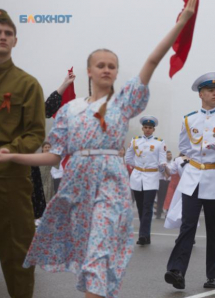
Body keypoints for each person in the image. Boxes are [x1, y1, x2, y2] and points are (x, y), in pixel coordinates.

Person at [0, 2, 197, 297]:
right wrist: (13, 156)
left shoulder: (123, 102)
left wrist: (182, 23)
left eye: (112, 66)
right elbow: (54, 156)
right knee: (88, 259)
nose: (106, 69)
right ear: (89, 71)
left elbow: (152, 61)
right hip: (77, 190)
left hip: (111, 188)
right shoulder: (70, 111)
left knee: (100, 254)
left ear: (116, 73)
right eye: (100, 65)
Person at [165, 72, 215, 290]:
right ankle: (176, 270)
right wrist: (194, 159)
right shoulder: (189, 119)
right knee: (187, 225)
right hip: (193, 178)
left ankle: (213, 274)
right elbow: (185, 147)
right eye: (210, 90)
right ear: (201, 94)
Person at [0, 9, 45, 298]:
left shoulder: (27, 84)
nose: (2, 37)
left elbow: (36, 133)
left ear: (15, 41)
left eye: (7, 33)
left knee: (18, 256)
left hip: (11, 182)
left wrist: (9, 151)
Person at [125, 115, 168, 245]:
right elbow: (128, 159)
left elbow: (162, 161)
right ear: (142, 128)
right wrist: (137, 167)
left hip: (151, 177)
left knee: (147, 206)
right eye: (146, 127)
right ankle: (147, 234)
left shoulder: (159, 142)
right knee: (140, 206)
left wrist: (161, 169)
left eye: (150, 128)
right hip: (137, 177)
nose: (148, 129)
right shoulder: (135, 141)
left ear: (153, 129)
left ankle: (143, 235)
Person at [156, 150, 173, 219]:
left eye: (170, 154)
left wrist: (168, 172)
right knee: (160, 197)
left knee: (168, 197)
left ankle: (167, 212)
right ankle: (158, 213)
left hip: (169, 181)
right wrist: (165, 173)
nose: (169, 156)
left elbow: (172, 172)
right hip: (162, 181)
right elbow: (160, 168)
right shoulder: (162, 162)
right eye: (168, 155)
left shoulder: (173, 163)